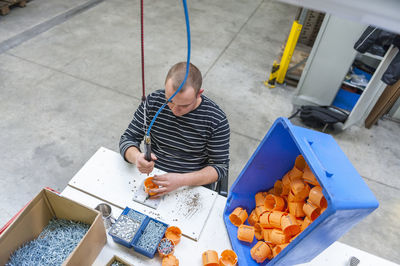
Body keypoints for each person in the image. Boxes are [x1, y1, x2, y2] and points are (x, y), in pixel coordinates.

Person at [119, 62, 230, 197]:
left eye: (184, 105)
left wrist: (182, 180)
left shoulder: (216, 119)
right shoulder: (153, 101)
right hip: (153, 176)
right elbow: (128, 139)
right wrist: (136, 157)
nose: (175, 110)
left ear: (199, 94)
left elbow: (220, 167)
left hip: (191, 186)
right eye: (169, 101)